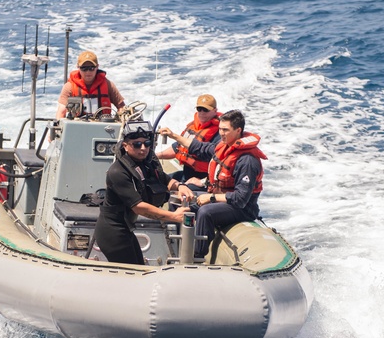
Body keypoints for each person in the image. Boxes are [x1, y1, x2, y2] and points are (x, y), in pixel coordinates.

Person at [94, 127, 195, 265]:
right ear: (125, 146)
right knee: (131, 274)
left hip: (126, 228)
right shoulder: (117, 172)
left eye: (146, 144)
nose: (143, 148)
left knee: (139, 269)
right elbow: (138, 207)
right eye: (136, 144)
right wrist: (173, 216)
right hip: (112, 230)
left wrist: (180, 186)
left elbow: (163, 179)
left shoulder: (145, 163)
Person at [188, 110, 266, 261]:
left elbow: (241, 199)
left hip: (244, 209)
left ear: (238, 131)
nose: (221, 133)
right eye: (220, 129)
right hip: (225, 199)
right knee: (187, 197)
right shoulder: (224, 147)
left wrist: (211, 198)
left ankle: (196, 257)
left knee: (206, 212)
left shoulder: (247, 161)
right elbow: (202, 149)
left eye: (225, 130)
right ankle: (178, 243)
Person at [156, 93, 221, 182]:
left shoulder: (220, 133)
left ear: (215, 110)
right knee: (158, 180)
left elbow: (220, 162)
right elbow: (178, 147)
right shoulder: (194, 126)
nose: (202, 113)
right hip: (186, 174)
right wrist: (156, 156)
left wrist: (203, 182)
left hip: (203, 180)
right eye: (199, 109)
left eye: (206, 110)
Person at [56, 50, 126, 119]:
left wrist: (121, 118)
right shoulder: (69, 86)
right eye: (84, 68)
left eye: (91, 68)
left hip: (103, 128)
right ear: (78, 67)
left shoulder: (108, 85)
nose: (88, 72)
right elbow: (61, 112)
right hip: (77, 128)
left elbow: (122, 107)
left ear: (97, 67)